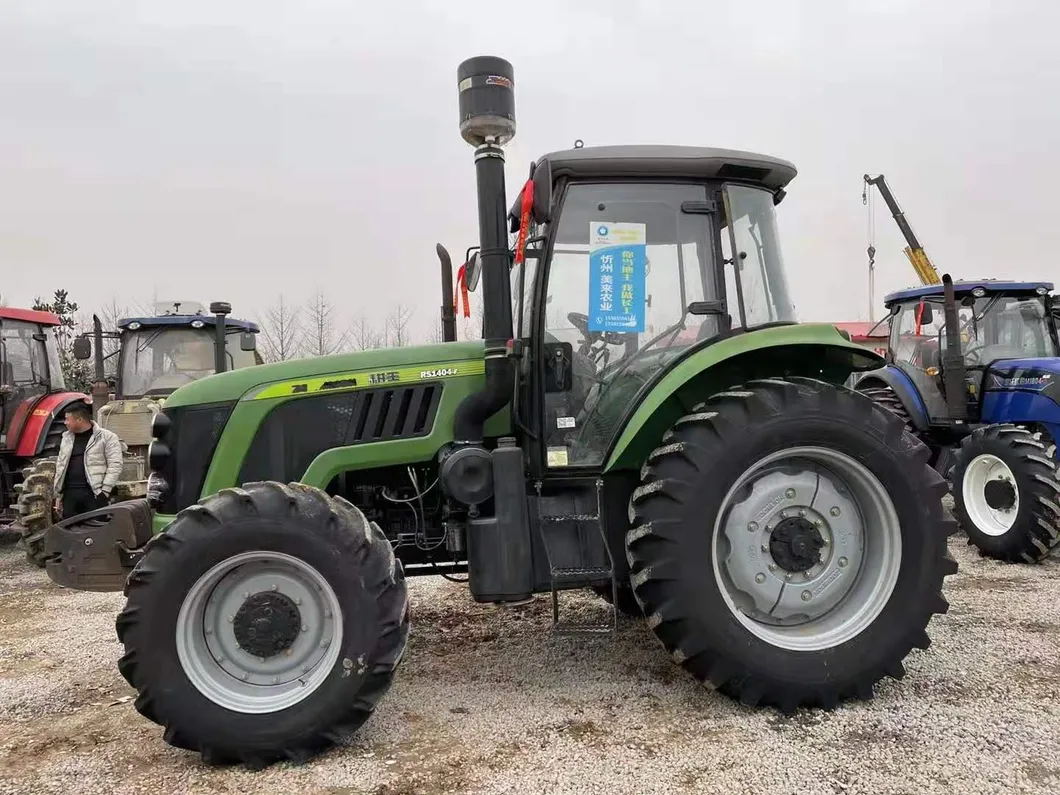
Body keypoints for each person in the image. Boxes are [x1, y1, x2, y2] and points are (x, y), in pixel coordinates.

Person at [53, 402, 124, 520]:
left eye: (67, 419)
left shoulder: (107, 437)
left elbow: (115, 465)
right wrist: (58, 496)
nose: (65, 423)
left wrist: (105, 492)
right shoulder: (66, 438)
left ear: (79, 419)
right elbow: (60, 465)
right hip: (70, 496)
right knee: (71, 533)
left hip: (94, 495)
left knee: (96, 533)